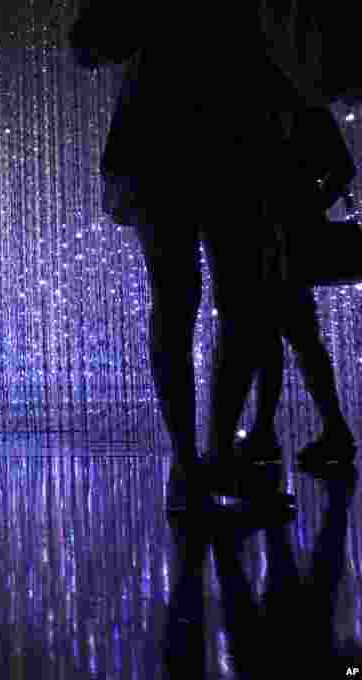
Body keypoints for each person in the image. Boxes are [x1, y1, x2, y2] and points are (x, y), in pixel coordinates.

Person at [68, 2, 351, 512]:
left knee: (223, 305)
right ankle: (198, 462)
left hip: (202, 150)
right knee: (208, 304)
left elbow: (89, 47)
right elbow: (88, 46)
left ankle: (204, 461)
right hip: (187, 150)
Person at [238, 105, 357, 467]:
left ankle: (270, 433)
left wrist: (299, 213)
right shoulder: (303, 105)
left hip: (274, 236)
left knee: (278, 332)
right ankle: (324, 429)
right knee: (294, 333)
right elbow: (342, 170)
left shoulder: (287, 107)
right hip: (280, 234)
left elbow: (341, 170)